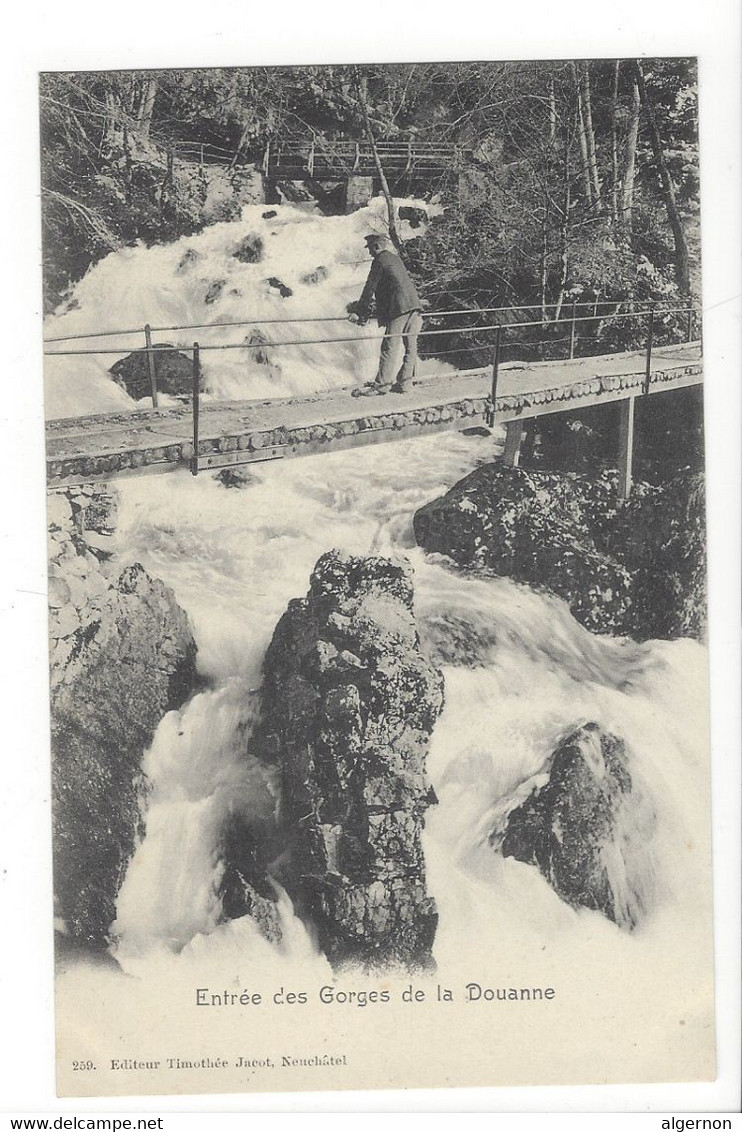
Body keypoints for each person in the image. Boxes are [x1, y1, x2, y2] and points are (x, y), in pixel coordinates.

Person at [347, 233, 423, 395]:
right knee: (411, 346)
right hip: (414, 305)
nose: (369, 253)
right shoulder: (394, 258)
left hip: (399, 309)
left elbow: (369, 289)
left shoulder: (379, 261)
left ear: (376, 247)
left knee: (389, 346)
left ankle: (382, 385)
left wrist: (359, 313)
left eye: (370, 249)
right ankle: (405, 383)